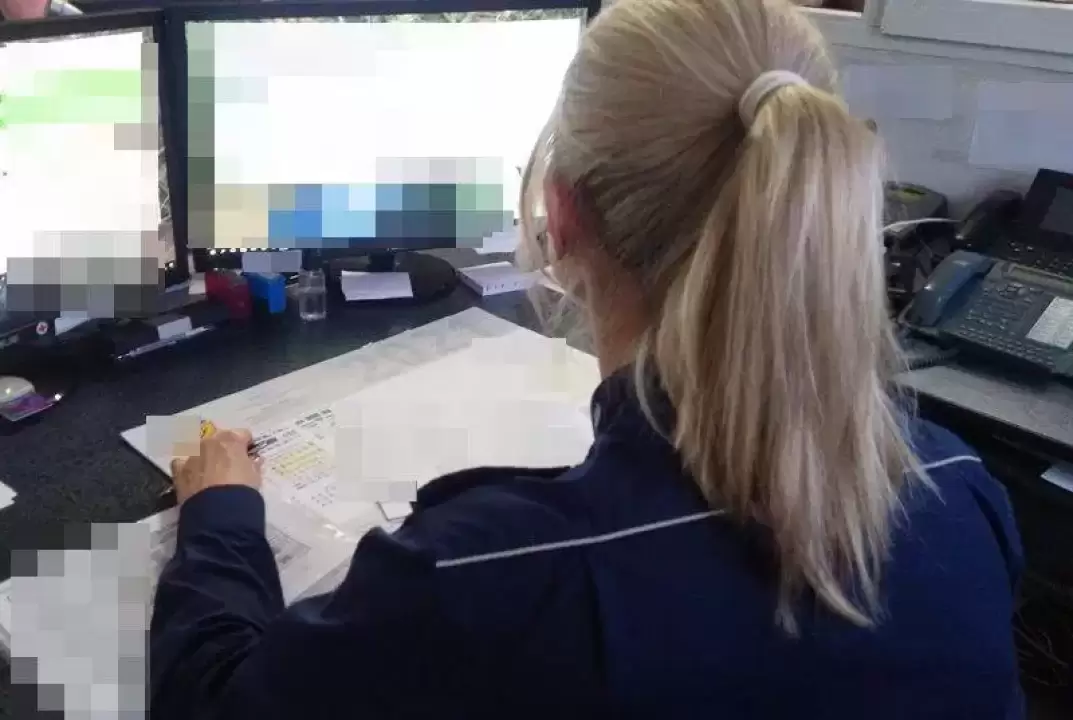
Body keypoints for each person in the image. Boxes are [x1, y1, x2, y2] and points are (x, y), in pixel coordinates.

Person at [151, 0, 1024, 718]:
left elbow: (214, 701)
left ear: (560, 213)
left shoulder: (475, 574)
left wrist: (222, 516)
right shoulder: (962, 487)